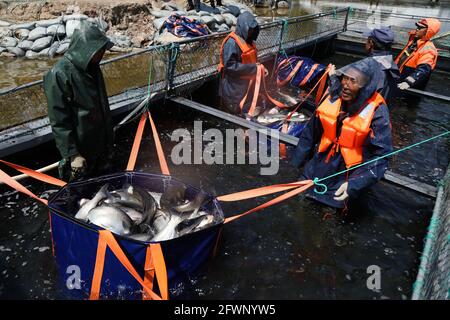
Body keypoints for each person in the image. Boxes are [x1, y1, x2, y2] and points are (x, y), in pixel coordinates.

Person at [290, 58, 393, 209]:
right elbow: (309, 135)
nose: (345, 85)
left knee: (331, 212)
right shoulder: (333, 98)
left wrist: (354, 184)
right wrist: (296, 164)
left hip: (347, 173)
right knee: (298, 200)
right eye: (345, 78)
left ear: (366, 86)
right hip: (319, 163)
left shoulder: (377, 111)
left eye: (354, 81)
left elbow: (382, 156)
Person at [44, 21, 115, 181]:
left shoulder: (93, 68)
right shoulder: (58, 74)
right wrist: (73, 154)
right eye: (100, 50)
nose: (103, 53)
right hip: (81, 152)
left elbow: (103, 104)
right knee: (79, 196)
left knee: (106, 189)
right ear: (87, 49)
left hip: (100, 145)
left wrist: (109, 140)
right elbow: (59, 121)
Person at [218, 11, 268, 116]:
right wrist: (254, 68)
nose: (250, 33)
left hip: (246, 87)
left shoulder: (249, 41)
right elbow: (230, 66)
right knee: (234, 114)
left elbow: (252, 60)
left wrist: (261, 69)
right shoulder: (232, 43)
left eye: (253, 30)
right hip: (233, 90)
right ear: (242, 28)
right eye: (249, 30)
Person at [395, 18, 441, 91]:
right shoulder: (414, 41)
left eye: (420, 28)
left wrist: (408, 82)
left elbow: (423, 69)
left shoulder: (428, 49)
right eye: (417, 27)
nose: (417, 29)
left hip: (409, 87)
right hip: (399, 79)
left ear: (428, 31)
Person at [363, 26, 400, 104]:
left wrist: (333, 77)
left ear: (371, 43)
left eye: (367, 40)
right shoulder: (391, 64)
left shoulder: (369, 66)